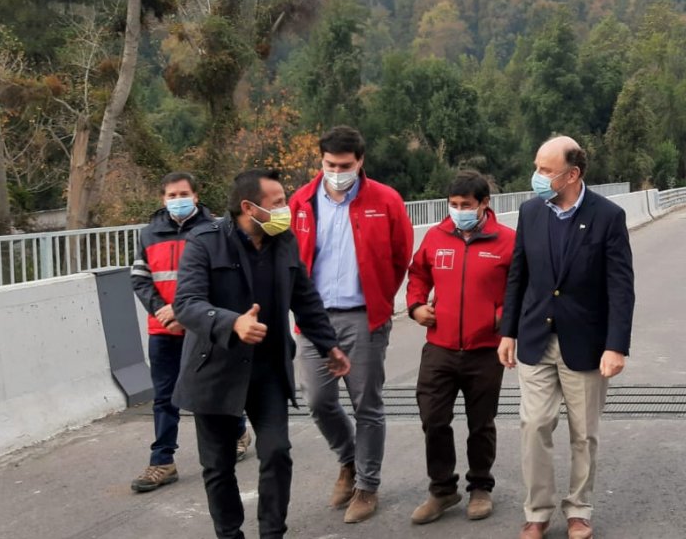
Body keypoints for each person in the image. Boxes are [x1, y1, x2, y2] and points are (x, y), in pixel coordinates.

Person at [173, 169, 351, 539]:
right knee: (218, 465)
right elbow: (187, 304)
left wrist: (329, 345)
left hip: (268, 369)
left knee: (276, 452)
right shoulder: (204, 242)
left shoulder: (284, 242)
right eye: (278, 202)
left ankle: (272, 533)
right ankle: (230, 534)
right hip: (216, 367)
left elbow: (305, 298)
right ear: (249, 207)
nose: (286, 209)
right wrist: (232, 323)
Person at [498, 136, 635, 539]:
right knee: (534, 424)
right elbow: (518, 276)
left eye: (546, 170)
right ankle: (537, 511)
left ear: (572, 174)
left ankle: (579, 509)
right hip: (535, 338)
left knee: (583, 432)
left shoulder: (607, 216)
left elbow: (621, 287)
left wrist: (616, 345)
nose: (537, 176)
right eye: (537, 167)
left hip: (586, 342)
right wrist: (507, 332)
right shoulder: (530, 212)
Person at [289, 125, 413, 524]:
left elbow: (401, 256)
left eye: (345, 165)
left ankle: (367, 486)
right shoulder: (302, 201)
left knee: (367, 405)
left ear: (360, 162)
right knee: (317, 400)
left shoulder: (386, 200)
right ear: (321, 160)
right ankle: (348, 460)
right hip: (314, 320)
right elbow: (291, 257)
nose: (337, 172)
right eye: (330, 164)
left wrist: (379, 300)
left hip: (363, 316)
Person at [405, 170, 515, 525]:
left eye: (466, 205)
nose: (458, 210)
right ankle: (442, 489)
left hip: (485, 350)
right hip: (440, 347)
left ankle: (480, 486)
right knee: (433, 418)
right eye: (453, 204)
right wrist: (416, 305)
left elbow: (521, 287)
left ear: (484, 204)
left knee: (481, 423)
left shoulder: (507, 241)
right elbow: (418, 274)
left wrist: (501, 315)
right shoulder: (436, 236)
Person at [129, 172, 251, 493]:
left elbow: (224, 280)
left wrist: (186, 313)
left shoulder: (217, 231)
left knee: (213, 392)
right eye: (171, 195)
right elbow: (140, 279)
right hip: (163, 327)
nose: (178, 200)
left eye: (183, 194)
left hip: (202, 328)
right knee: (164, 396)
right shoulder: (149, 234)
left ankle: (237, 430)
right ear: (162, 199)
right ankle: (162, 460)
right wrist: (161, 310)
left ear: (196, 196)